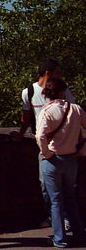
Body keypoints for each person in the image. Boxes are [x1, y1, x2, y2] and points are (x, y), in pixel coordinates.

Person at [11, 59, 76, 227]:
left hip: (62, 144)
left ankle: (64, 219)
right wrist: (21, 134)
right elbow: (26, 117)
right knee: (45, 185)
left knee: (64, 186)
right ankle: (53, 217)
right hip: (44, 145)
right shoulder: (29, 92)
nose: (60, 76)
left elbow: (74, 111)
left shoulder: (63, 90)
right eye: (58, 73)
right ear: (48, 72)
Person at [36, 77, 86, 248]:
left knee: (56, 200)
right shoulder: (76, 109)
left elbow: (40, 136)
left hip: (53, 160)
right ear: (63, 91)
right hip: (71, 158)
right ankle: (79, 233)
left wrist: (47, 153)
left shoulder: (47, 111)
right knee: (71, 197)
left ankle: (60, 238)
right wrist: (82, 150)